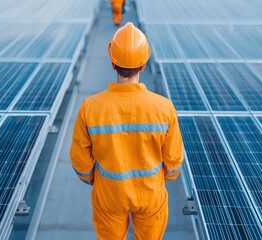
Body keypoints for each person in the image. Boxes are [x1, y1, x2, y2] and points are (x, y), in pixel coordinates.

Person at [70, 22, 183, 240]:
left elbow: (80, 160)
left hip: (110, 194)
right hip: (150, 194)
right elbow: (174, 159)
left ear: (113, 63)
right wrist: (163, 179)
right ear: (143, 65)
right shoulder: (164, 108)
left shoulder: (90, 107)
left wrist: (94, 180)